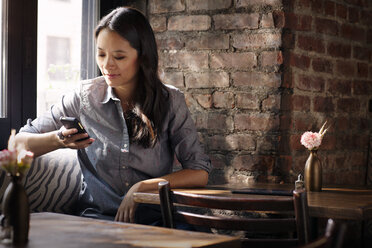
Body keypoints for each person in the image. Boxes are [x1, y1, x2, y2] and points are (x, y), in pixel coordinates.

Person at [15, 7, 212, 224]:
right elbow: (18, 143)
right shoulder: (84, 97)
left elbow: (199, 172)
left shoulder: (170, 100)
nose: (107, 65)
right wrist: (59, 139)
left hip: (156, 220)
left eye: (119, 56)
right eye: (101, 54)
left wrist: (142, 187)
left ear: (142, 56)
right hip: (96, 220)